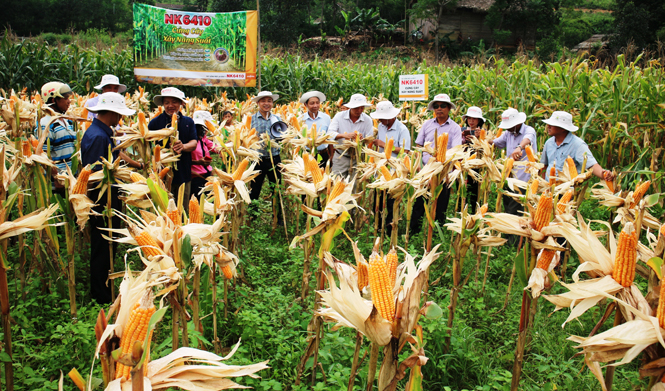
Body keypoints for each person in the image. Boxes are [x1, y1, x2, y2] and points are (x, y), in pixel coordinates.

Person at [81, 92, 143, 304]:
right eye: (120, 115)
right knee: (104, 245)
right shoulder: (98, 137)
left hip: (107, 196)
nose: (121, 120)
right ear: (112, 113)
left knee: (107, 243)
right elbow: (97, 173)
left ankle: (104, 288)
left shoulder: (100, 132)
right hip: (103, 199)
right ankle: (101, 294)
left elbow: (113, 159)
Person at [410, 93, 462, 235]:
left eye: (443, 106)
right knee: (420, 202)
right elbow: (419, 145)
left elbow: (456, 150)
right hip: (427, 170)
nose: (439, 109)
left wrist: (442, 161)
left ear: (449, 108)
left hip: (444, 172)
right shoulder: (427, 124)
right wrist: (419, 163)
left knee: (441, 204)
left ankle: (437, 234)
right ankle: (414, 232)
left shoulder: (455, 128)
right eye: (436, 106)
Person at [148, 87, 197, 202]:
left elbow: (194, 142)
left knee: (182, 208)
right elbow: (147, 143)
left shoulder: (188, 122)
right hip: (162, 175)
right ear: (163, 104)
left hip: (183, 174)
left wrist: (183, 146)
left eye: (174, 102)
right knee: (164, 209)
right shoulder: (155, 123)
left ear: (181, 103)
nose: (170, 105)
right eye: (167, 102)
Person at [370, 100, 411, 235]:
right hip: (381, 168)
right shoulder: (381, 126)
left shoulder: (402, 129)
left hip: (395, 170)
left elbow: (405, 151)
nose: (380, 120)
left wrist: (385, 145)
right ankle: (377, 226)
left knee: (391, 202)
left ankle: (389, 229)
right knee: (378, 198)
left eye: (383, 118)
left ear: (392, 116)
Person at [540, 110, 615, 182]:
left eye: (552, 125)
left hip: (567, 190)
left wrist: (603, 174)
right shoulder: (549, 143)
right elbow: (544, 165)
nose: (548, 126)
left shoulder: (578, 145)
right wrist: (544, 183)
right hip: (549, 189)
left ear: (563, 128)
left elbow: (591, 165)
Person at [489, 107, 537, 219]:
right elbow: (496, 143)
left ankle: (516, 235)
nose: (508, 128)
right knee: (508, 207)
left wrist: (519, 147)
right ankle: (509, 234)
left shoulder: (529, 130)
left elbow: (528, 139)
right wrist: (481, 139)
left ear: (518, 123)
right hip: (509, 176)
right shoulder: (508, 133)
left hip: (523, 178)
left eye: (509, 126)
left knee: (518, 209)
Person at [37, 82, 77, 194]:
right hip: (58, 184)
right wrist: (56, 177)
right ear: (53, 100)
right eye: (65, 98)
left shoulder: (66, 121)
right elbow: (43, 154)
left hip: (71, 179)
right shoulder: (46, 124)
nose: (69, 101)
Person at [248, 91, 283, 205]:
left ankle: (277, 216)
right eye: (263, 101)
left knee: (276, 188)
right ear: (258, 103)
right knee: (255, 188)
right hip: (258, 159)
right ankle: (252, 214)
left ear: (272, 103)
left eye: (269, 101)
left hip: (274, 157)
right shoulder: (251, 119)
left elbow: (282, 137)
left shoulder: (277, 119)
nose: (266, 103)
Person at [328, 94, 374, 177]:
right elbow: (330, 134)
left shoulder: (367, 120)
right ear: (351, 107)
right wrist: (345, 135)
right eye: (356, 108)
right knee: (337, 182)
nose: (359, 110)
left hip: (358, 158)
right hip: (341, 157)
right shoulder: (339, 116)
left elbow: (370, 139)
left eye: (362, 108)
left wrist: (362, 140)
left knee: (355, 185)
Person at [461, 106, 486, 214]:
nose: (471, 121)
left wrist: (479, 138)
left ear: (479, 120)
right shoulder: (462, 130)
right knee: (461, 188)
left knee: (474, 189)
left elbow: (486, 148)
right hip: (463, 163)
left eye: (474, 119)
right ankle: (461, 209)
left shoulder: (483, 132)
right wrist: (462, 138)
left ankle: (474, 211)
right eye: (469, 118)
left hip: (476, 165)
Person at [299, 91, 332, 168]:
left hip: (323, 154)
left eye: (317, 103)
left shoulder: (326, 118)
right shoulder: (300, 119)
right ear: (305, 105)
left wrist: (331, 155)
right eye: (312, 103)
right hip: (307, 155)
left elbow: (330, 137)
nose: (315, 105)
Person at [191, 110, 219, 198]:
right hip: (195, 177)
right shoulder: (190, 140)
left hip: (207, 175)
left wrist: (225, 149)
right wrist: (198, 162)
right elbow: (183, 160)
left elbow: (214, 147)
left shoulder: (203, 138)